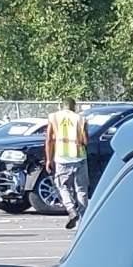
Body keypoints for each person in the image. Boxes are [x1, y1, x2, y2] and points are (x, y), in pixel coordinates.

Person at [44, 97, 89, 229]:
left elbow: (48, 140)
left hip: (62, 158)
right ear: (74, 106)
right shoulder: (81, 119)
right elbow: (86, 141)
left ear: (61, 106)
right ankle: (82, 221)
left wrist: (48, 159)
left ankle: (71, 209)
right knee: (81, 190)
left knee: (62, 186)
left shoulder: (53, 117)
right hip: (79, 157)